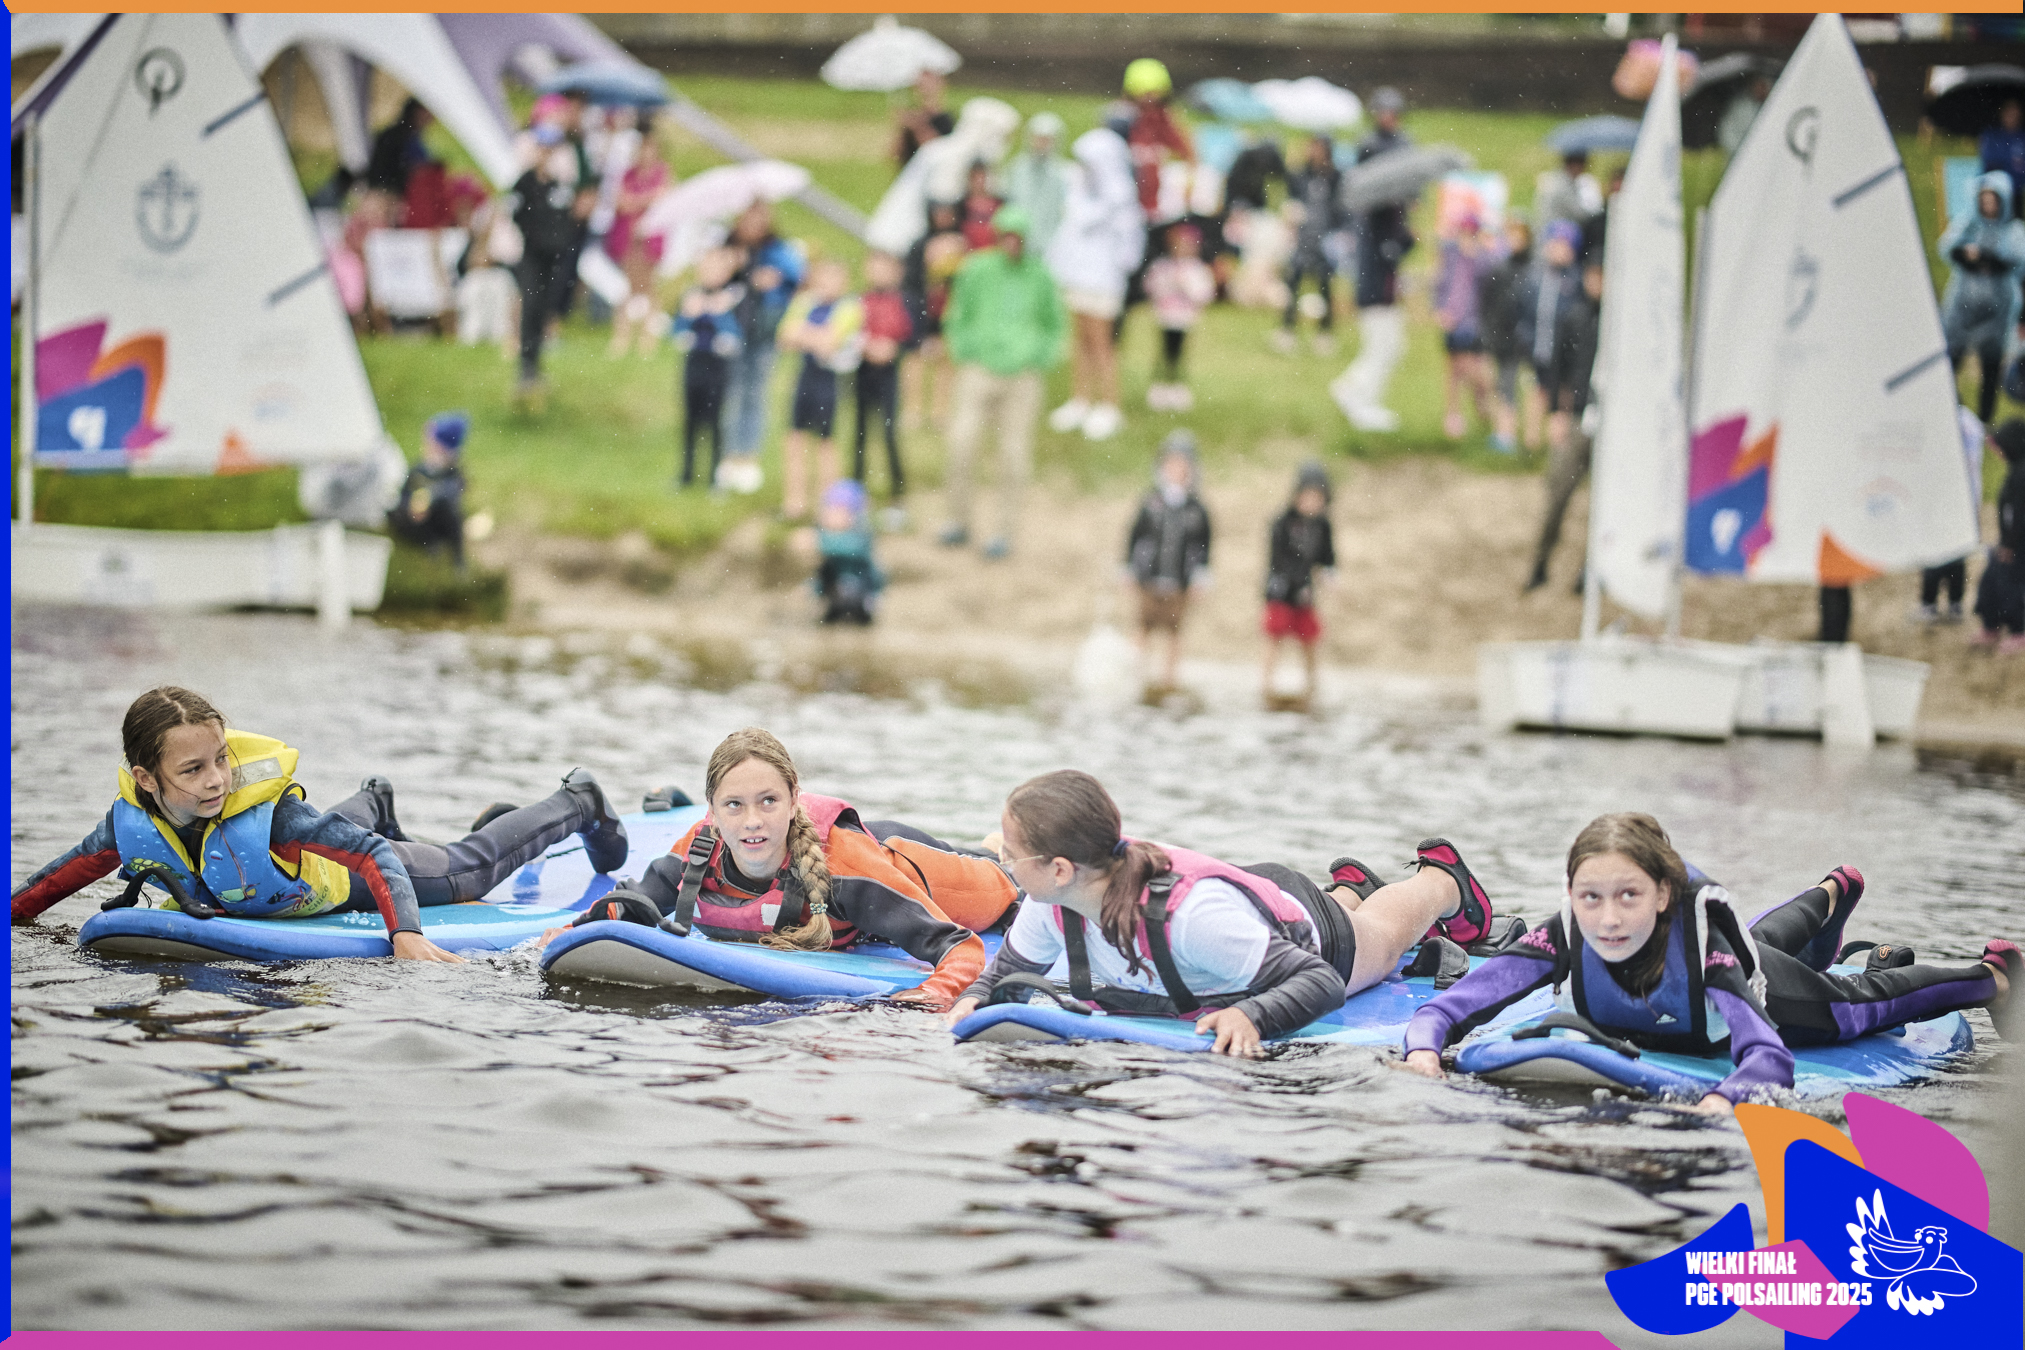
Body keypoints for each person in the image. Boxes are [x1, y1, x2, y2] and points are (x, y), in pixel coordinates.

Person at [1401, 812, 2018, 1112]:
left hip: (1777, 996)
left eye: (1628, 897)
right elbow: (1455, 1005)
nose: (1608, 919)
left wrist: (1726, 1098)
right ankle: (1830, 892)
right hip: (1738, 953)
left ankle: (1990, 974)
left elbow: (1768, 1057)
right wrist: (1424, 1050)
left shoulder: (1704, 952)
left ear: (1663, 896)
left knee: (1865, 1004)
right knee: (1759, 936)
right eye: (1590, 898)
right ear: (1571, 896)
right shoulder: (1568, 931)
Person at [11, 687, 632, 964]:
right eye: (193, 770)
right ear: (146, 780)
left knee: (471, 869)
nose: (216, 781)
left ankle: (576, 800)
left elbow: (371, 859)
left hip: (347, 881)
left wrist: (406, 934)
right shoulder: (128, 829)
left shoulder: (273, 815)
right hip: (304, 862)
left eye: (221, 759)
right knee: (326, 830)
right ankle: (375, 800)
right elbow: (50, 884)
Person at [945, 770, 1499, 1056]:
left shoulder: (1191, 920)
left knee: (1381, 937)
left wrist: (1251, 1016)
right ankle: (1347, 890)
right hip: (1242, 920)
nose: (1002, 860)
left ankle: (1440, 881)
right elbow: (1001, 975)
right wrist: (971, 1000)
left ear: (1061, 867)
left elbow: (1322, 982)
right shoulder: (1055, 901)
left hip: (1302, 935)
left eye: (1011, 854)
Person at [557, 728, 1017, 1010]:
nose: (752, 821)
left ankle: (998, 852)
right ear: (711, 813)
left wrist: (928, 999)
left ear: (795, 799)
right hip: (858, 856)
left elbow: (960, 948)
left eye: (769, 801)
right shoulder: (697, 851)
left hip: (918, 869)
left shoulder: (847, 869)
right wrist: (560, 938)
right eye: (734, 805)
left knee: (1008, 885)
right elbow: (624, 905)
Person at [939, 206, 1066, 560]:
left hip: (1022, 374)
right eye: (1006, 235)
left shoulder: (1040, 276)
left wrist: (1038, 355)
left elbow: (1055, 325)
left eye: (1018, 237)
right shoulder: (977, 270)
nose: (1012, 243)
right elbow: (958, 313)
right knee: (961, 444)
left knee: (1013, 455)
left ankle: (1004, 531)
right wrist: (965, 350)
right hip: (980, 368)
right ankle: (958, 520)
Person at [1047, 125, 1144, 442]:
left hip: (1103, 280)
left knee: (1102, 342)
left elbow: (1128, 243)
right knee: (1080, 340)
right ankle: (1080, 399)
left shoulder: (1119, 195)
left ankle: (1109, 404)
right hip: (1078, 276)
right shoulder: (1079, 189)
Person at [1330, 86, 1417, 433]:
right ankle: (1354, 393)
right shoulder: (1374, 216)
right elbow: (1387, 248)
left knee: (1393, 345)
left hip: (1382, 278)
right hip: (1375, 282)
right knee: (1384, 344)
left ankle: (1364, 397)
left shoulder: (1389, 214)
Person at [1525, 253, 1603, 593]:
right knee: (1557, 495)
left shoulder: (1620, 323)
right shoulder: (1575, 317)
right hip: (1576, 419)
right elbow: (1558, 369)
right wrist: (1557, 412)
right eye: (1594, 275)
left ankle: (1591, 571)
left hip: (1609, 425)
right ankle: (1540, 564)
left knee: (1604, 504)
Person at [719, 203, 807, 494]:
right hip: (734, 327)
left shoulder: (777, 250)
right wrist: (736, 266)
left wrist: (773, 278)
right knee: (732, 391)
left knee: (755, 392)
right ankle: (729, 456)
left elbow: (797, 275)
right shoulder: (728, 247)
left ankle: (749, 457)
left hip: (765, 330)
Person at [508, 119, 588, 412]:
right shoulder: (525, 183)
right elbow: (518, 216)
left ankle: (536, 363)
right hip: (532, 255)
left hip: (553, 258)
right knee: (530, 303)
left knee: (545, 307)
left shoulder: (558, 186)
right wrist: (540, 234)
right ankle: (526, 364)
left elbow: (566, 220)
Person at [776, 259, 865, 522]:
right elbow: (784, 337)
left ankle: (828, 505)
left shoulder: (849, 307)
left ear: (844, 283)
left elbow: (829, 342)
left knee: (827, 442)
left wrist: (804, 334)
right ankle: (795, 502)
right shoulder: (804, 302)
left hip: (829, 382)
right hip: (805, 378)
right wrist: (815, 337)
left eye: (834, 280)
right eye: (823, 279)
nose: (827, 286)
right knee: (795, 439)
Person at [1126, 431, 1213, 690]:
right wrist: (1128, 568)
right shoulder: (1150, 501)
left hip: (1180, 581)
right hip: (1149, 577)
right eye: (1171, 463)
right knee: (1143, 625)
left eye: (1181, 464)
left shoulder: (1197, 508)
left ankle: (1169, 678)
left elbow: (1205, 544)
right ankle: (1136, 673)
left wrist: (1202, 576)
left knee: (1175, 630)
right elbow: (1134, 535)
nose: (1176, 469)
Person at [1938, 172, 2025, 425]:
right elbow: (1947, 247)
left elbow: (2017, 262)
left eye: (1993, 200)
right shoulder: (1969, 224)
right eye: (1984, 200)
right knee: (1952, 357)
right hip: (1963, 304)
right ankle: (1946, 408)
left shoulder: (2014, 230)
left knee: (1990, 364)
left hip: (1996, 309)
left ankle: (1984, 419)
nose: (1988, 206)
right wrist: (1968, 256)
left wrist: (1986, 258)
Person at [1262, 462, 1336, 704]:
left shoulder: (1323, 525)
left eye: (1317, 498)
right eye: (1307, 496)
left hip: (1306, 592)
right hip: (1281, 589)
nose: (1311, 503)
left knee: (1309, 637)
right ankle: (1267, 681)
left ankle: (1312, 681)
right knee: (1275, 636)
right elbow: (1277, 560)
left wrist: (1330, 572)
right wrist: (1297, 580)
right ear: (1296, 495)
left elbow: (1327, 555)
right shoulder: (1282, 522)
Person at [673, 246, 745, 490]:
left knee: (715, 421)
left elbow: (734, 339)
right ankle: (686, 474)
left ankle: (715, 476)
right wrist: (689, 316)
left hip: (717, 368)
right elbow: (679, 332)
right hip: (695, 363)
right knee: (690, 420)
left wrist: (719, 313)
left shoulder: (731, 298)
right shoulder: (692, 295)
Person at [853, 251, 914, 517]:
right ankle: (855, 492)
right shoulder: (859, 301)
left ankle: (897, 494)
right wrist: (865, 346)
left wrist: (892, 349)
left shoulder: (902, 302)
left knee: (889, 434)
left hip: (888, 377)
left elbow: (909, 338)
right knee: (860, 435)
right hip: (862, 375)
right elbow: (849, 333)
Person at [603, 124, 672, 358]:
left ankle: (647, 337)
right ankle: (621, 336)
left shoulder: (663, 172)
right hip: (629, 235)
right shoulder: (628, 173)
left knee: (649, 286)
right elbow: (621, 202)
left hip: (650, 236)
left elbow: (661, 199)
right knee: (629, 286)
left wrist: (637, 201)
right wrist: (646, 200)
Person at [1274, 134, 1344, 356]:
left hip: (1325, 239)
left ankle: (1324, 333)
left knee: (1324, 284)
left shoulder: (1335, 178)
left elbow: (1341, 209)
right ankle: (1287, 330)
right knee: (1293, 281)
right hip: (1302, 238)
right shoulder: (1300, 175)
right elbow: (1289, 200)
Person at [901, 200, 965, 432]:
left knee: (945, 362)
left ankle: (941, 412)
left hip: (947, 310)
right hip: (921, 309)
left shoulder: (961, 243)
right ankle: (913, 410)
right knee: (915, 360)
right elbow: (910, 280)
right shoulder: (920, 244)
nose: (943, 218)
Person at [1479, 218, 1542, 453]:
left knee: (1534, 387)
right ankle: (1506, 435)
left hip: (1531, 340)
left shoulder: (1535, 270)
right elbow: (1489, 307)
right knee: (1505, 387)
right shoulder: (1499, 269)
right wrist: (1490, 337)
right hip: (1505, 340)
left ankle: (1531, 438)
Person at [1919, 408, 1987, 625]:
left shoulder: (1939, 421)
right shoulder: (1970, 422)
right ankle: (1954, 603)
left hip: (1942, 498)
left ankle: (1930, 604)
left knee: (1935, 553)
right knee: (1957, 553)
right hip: (1964, 497)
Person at [1143, 223, 1217, 412]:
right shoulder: (1162, 267)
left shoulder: (1197, 270)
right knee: (1163, 353)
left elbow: (1204, 294)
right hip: (1165, 318)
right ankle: (1160, 387)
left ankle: (1178, 387)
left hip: (1184, 320)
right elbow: (1151, 287)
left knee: (1180, 354)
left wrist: (1186, 286)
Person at [1434, 214, 1496, 441]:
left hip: (1474, 321)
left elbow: (1489, 283)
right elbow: (1440, 283)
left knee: (1474, 367)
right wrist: (1440, 309)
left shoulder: (1483, 257)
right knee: (1453, 369)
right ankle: (1454, 414)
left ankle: (1482, 402)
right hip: (1452, 319)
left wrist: (1477, 254)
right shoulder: (1450, 255)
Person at [387, 412, 469, 568]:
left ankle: (458, 558)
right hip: (420, 522)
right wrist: (409, 506)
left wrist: (431, 499)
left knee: (454, 517)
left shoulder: (452, 473)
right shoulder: (418, 470)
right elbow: (404, 494)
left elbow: (453, 494)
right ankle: (431, 543)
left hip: (440, 520)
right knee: (397, 514)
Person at [1972, 418, 2025, 654]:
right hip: (2008, 541)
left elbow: (2020, 516)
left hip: (2017, 545)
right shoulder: (2016, 469)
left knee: (2010, 586)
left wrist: (2009, 546)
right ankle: (1990, 625)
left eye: (1999, 446)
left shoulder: (2021, 476)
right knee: (1990, 582)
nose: (1996, 452)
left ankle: (2019, 631)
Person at [812, 479, 885, 625]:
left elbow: (852, 549)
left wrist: (817, 543)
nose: (831, 516)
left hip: (860, 594)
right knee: (825, 572)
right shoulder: (824, 535)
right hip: (834, 594)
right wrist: (814, 589)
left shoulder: (860, 537)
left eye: (838, 512)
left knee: (852, 589)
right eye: (829, 511)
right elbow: (821, 573)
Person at [1000, 112, 1071, 257]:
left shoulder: (1064, 173)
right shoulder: (1015, 169)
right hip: (1020, 244)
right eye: (1038, 139)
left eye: (1047, 140)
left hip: (1052, 245)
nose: (1041, 144)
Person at [365, 98, 435, 204]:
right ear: (416, 112)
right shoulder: (402, 136)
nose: (431, 117)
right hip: (387, 191)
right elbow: (411, 164)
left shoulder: (406, 134)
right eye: (426, 112)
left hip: (387, 189)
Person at [1531, 150, 1603, 239]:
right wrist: (1598, 214)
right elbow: (1579, 214)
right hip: (1556, 233)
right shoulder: (1563, 184)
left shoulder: (1556, 178)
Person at [895, 69, 956, 170]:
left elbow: (935, 150)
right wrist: (899, 125)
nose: (924, 90)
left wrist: (917, 126)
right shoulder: (912, 116)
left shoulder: (946, 119)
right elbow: (895, 154)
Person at [1978, 98, 2025, 219]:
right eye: (2009, 112)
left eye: (2015, 112)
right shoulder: (1992, 135)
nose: (2012, 116)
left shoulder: (2021, 137)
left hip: (2017, 192)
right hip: (1995, 191)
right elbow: (1991, 161)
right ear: (2002, 113)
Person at [1717, 76, 1772, 158]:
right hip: (1743, 155)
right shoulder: (1740, 107)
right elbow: (1726, 133)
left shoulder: (1776, 106)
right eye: (1758, 86)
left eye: (1764, 86)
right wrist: (1743, 151)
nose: (1761, 90)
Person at [957, 160, 1005, 250]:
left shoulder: (1000, 203)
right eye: (975, 177)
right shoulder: (961, 206)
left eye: (982, 177)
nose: (979, 181)